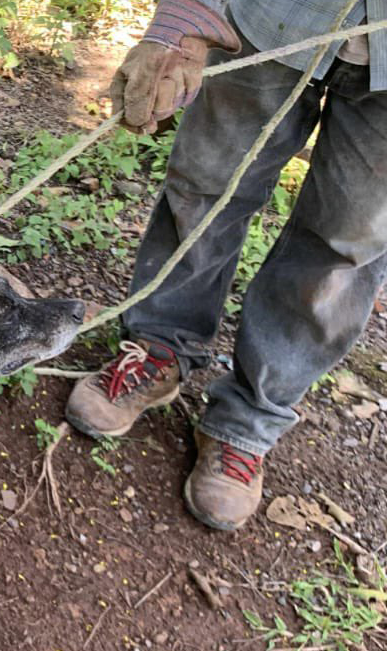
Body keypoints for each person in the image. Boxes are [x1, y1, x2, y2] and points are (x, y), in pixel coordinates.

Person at [66, 0, 386, 531]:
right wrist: (185, 17)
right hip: (274, 17)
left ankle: (249, 420)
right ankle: (159, 345)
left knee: (346, 243)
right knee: (204, 188)